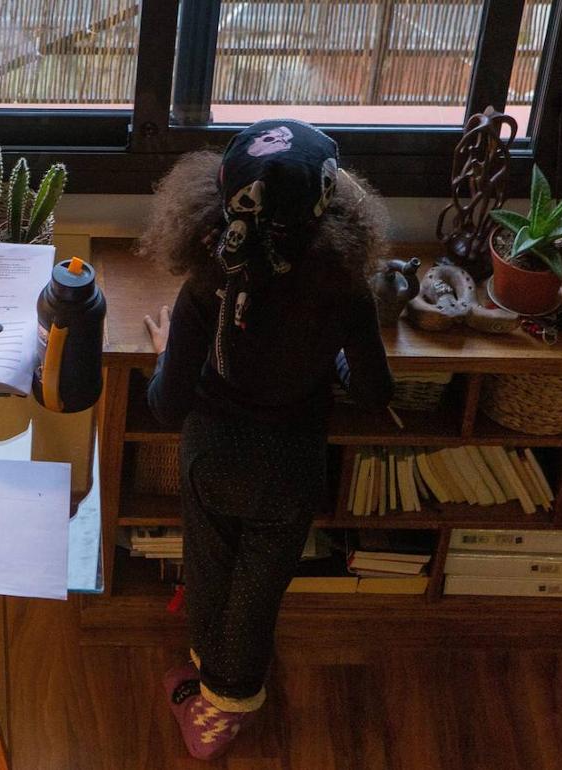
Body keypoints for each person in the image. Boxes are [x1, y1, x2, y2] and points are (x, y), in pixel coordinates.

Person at [139, 119, 393, 760]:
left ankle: (216, 705)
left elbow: (167, 406)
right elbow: (374, 392)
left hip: (214, 457)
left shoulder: (207, 285)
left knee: (210, 571)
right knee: (256, 594)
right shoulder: (346, 290)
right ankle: (226, 693)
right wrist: (331, 361)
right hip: (290, 465)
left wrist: (169, 354)